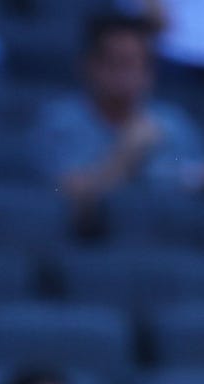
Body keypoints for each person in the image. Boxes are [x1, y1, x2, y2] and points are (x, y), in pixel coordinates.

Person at [31, 12, 204, 238]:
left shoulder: (174, 123)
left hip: (165, 241)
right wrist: (126, 155)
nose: (126, 74)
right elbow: (65, 197)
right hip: (92, 246)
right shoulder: (60, 121)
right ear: (90, 65)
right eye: (116, 62)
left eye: (136, 63)